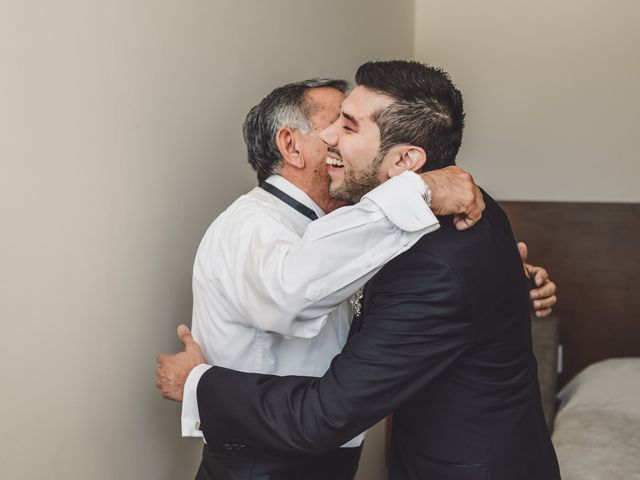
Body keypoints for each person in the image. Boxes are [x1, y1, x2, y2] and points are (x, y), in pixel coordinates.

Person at [157, 61, 560, 480]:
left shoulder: (430, 221)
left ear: (405, 159)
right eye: (330, 124)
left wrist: (507, 282)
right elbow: (295, 296)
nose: (333, 137)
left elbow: (434, 279)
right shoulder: (256, 226)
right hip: (266, 461)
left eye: (347, 126)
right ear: (291, 146)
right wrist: (198, 384)